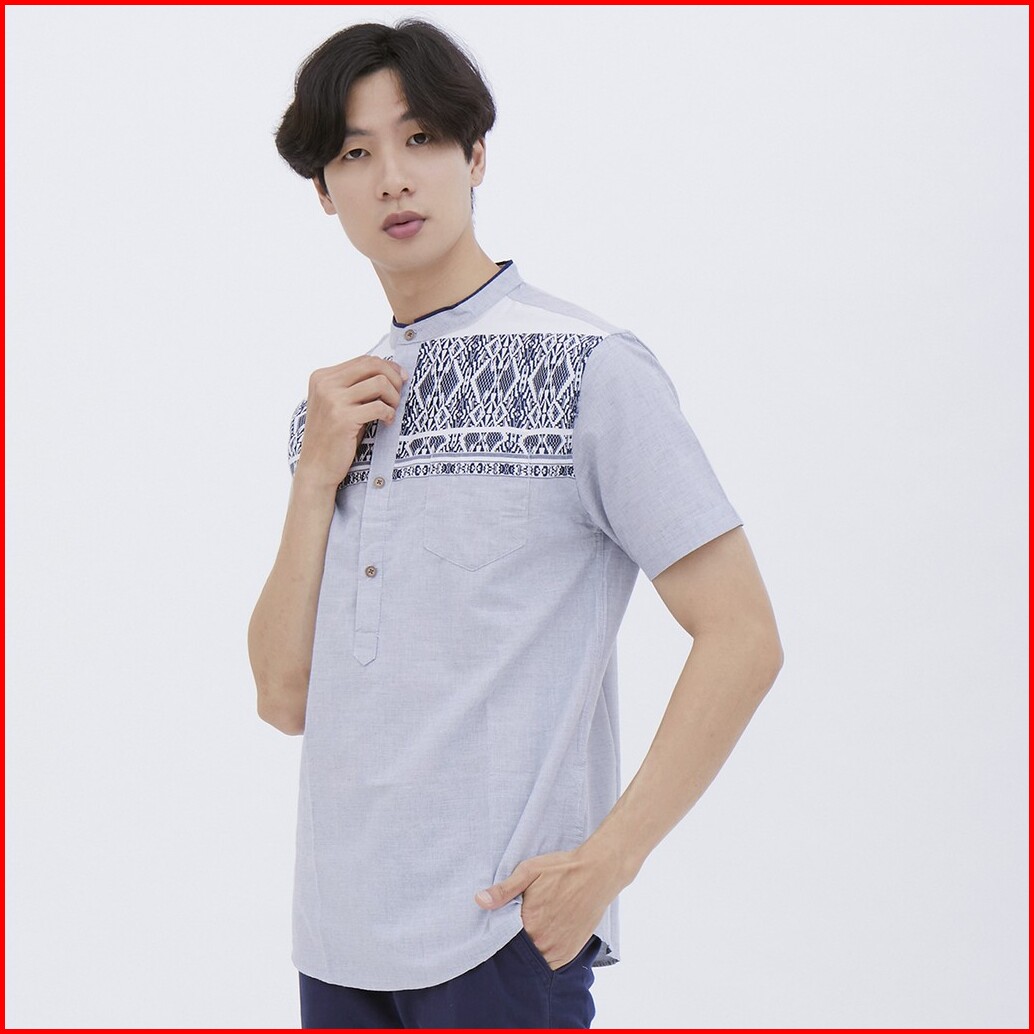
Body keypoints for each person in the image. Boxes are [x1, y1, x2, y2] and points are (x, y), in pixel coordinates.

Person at [248, 18, 783, 1030]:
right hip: (335, 938)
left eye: (419, 139)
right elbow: (282, 694)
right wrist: (313, 477)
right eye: (354, 155)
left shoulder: (591, 368)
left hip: (498, 936)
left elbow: (743, 634)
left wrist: (608, 860)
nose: (392, 179)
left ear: (475, 155)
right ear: (323, 191)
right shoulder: (332, 411)